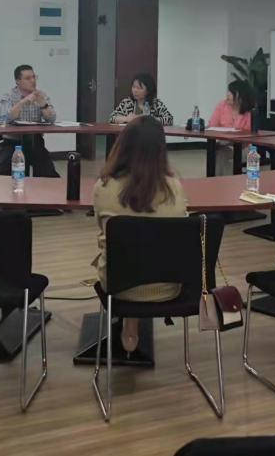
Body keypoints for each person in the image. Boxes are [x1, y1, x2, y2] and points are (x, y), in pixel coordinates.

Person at [93, 116, 188, 353]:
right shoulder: (175, 188)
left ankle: (130, 321)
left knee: (123, 253)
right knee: (152, 250)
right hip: (168, 286)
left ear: (122, 145)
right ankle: (131, 322)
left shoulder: (104, 187)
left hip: (118, 285)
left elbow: (103, 231)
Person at [0, 64, 59, 177]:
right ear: (18, 81)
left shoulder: (40, 95)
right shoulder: (9, 96)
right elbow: (5, 118)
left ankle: (42, 187)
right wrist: (23, 101)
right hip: (13, 143)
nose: (33, 81)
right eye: (28, 78)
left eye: (34, 77)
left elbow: (52, 119)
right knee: (7, 170)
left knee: (47, 170)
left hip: (35, 141)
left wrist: (43, 104)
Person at [109, 72, 174, 126]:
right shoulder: (127, 102)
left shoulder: (156, 103)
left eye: (139, 88)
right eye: (133, 87)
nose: (135, 90)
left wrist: (149, 119)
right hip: (131, 135)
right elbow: (112, 117)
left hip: (150, 135)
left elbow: (169, 119)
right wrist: (126, 119)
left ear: (148, 90)